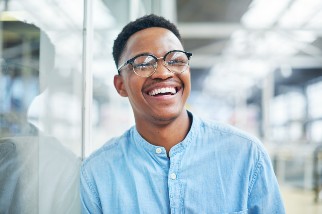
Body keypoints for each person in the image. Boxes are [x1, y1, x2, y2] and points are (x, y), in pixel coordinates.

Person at [80, 14, 285, 213]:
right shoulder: (97, 174)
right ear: (120, 85)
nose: (163, 73)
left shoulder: (247, 156)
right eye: (143, 63)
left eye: (175, 60)